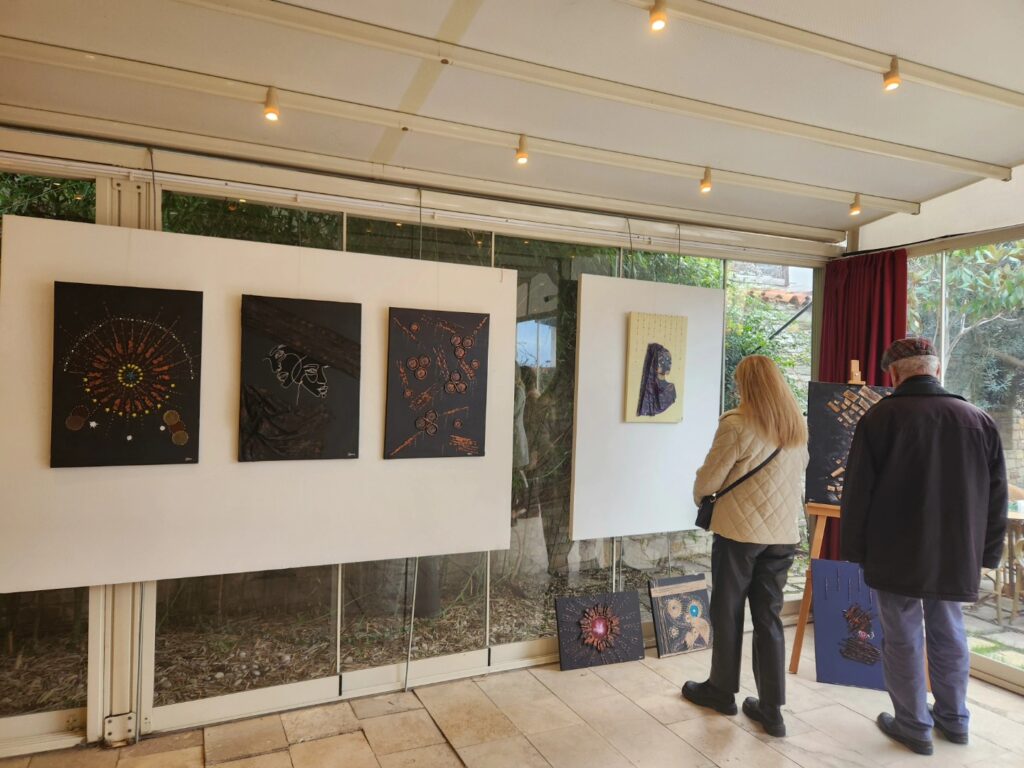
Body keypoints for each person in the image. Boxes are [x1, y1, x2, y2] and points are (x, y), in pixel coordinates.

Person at [841, 337, 1007, 756]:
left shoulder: (879, 418)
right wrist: (988, 553)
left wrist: (854, 550)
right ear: (936, 370)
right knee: (950, 631)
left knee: (902, 636)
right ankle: (955, 720)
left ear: (894, 375)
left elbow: (858, 493)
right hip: (956, 550)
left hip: (894, 549)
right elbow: (997, 497)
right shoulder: (979, 420)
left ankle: (913, 725)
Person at [683, 355, 809, 737]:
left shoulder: (737, 424)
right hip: (782, 537)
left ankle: (721, 691)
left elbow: (709, 481)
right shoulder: (796, 425)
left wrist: (700, 494)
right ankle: (772, 710)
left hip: (739, 535)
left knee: (728, 611)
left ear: (746, 384)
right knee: (769, 617)